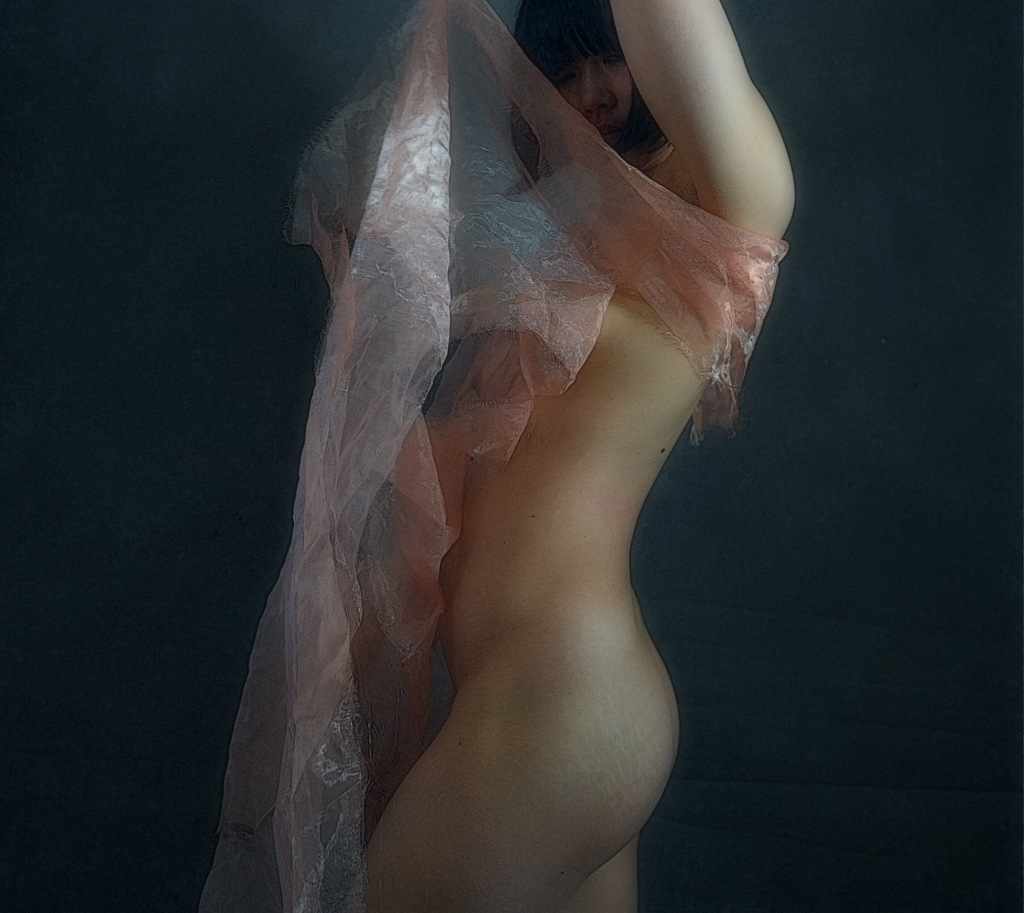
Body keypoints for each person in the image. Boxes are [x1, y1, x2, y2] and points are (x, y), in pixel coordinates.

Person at [199, 0, 792, 911]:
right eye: (561, 68)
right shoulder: (574, 228)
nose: (590, 92)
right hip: (534, 699)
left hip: (564, 700)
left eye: (607, 59)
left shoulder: (723, 211)